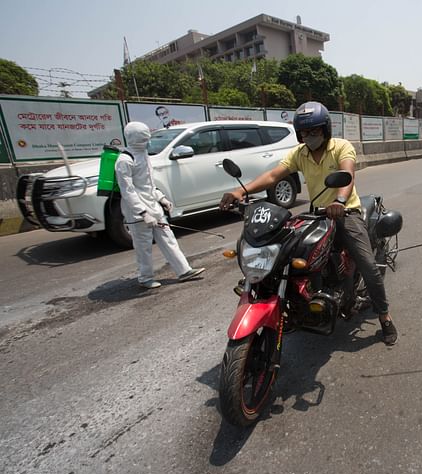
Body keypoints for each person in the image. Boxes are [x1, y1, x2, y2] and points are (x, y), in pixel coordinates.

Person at [219, 101, 398, 345]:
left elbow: (348, 173)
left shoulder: (341, 147)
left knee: (367, 265)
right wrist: (241, 192)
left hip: (345, 212)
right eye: (305, 132)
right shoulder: (299, 153)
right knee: (286, 252)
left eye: (314, 131)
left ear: (325, 130)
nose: (309, 136)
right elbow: (273, 175)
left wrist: (340, 201)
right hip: (317, 214)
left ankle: (385, 317)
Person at [115, 121, 205, 289]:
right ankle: (145, 278)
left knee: (168, 238)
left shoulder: (143, 155)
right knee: (143, 246)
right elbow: (128, 191)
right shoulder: (124, 160)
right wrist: (143, 213)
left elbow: (148, 184)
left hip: (153, 206)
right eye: (144, 138)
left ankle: (184, 270)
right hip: (137, 212)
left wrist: (161, 198)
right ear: (134, 138)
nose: (147, 141)